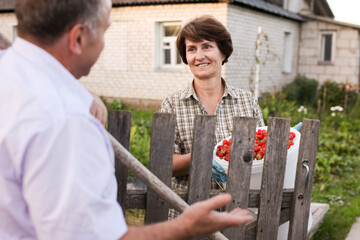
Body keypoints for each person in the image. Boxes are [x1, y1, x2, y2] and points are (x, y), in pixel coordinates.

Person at [0, 1, 253, 239]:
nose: (103, 45)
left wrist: (80, 92)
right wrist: (185, 226)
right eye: (104, 31)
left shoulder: (12, 78)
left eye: (207, 46)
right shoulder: (66, 119)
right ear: (78, 38)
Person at [159, 16, 265, 218]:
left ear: (223, 51)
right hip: (188, 212)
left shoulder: (246, 101)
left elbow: (262, 152)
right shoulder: (172, 104)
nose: (199, 56)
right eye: (191, 49)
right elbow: (164, 164)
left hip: (237, 209)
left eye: (207, 47)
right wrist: (208, 156)